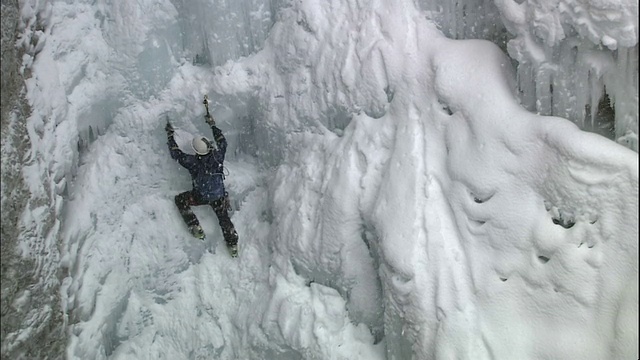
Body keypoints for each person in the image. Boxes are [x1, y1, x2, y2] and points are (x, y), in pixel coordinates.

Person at [165, 111, 238, 257]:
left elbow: (176, 154)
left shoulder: (193, 163)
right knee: (224, 219)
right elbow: (223, 142)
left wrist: (170, 136)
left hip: (201, 196)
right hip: (219, 197)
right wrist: (212, 124)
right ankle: (233, 245)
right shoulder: (218, 157)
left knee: (180, 200)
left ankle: (194, 226)